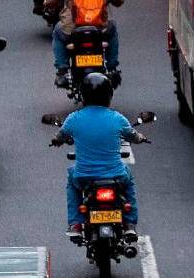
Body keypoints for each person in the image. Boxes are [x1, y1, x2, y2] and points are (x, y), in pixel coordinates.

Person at [53, 73, 146, 237]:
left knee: (71, 179)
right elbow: (133, 136)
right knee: (129, 179)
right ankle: (130, 223)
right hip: (116, 175)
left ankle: (75, 224)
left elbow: (60, 136)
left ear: (83, 95)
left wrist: (56, 140)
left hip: (84, 177)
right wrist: (141, 138)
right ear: (109, 95)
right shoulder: (117, 118)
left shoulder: (74, 118)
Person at [45, 0, 125, 87]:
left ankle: (62, 69)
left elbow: (55, 2)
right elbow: (118, 2)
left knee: (57, 31)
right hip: (100, 30)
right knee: (112, 29)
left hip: (72, 31)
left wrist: (46, 3)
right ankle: (112, 67)